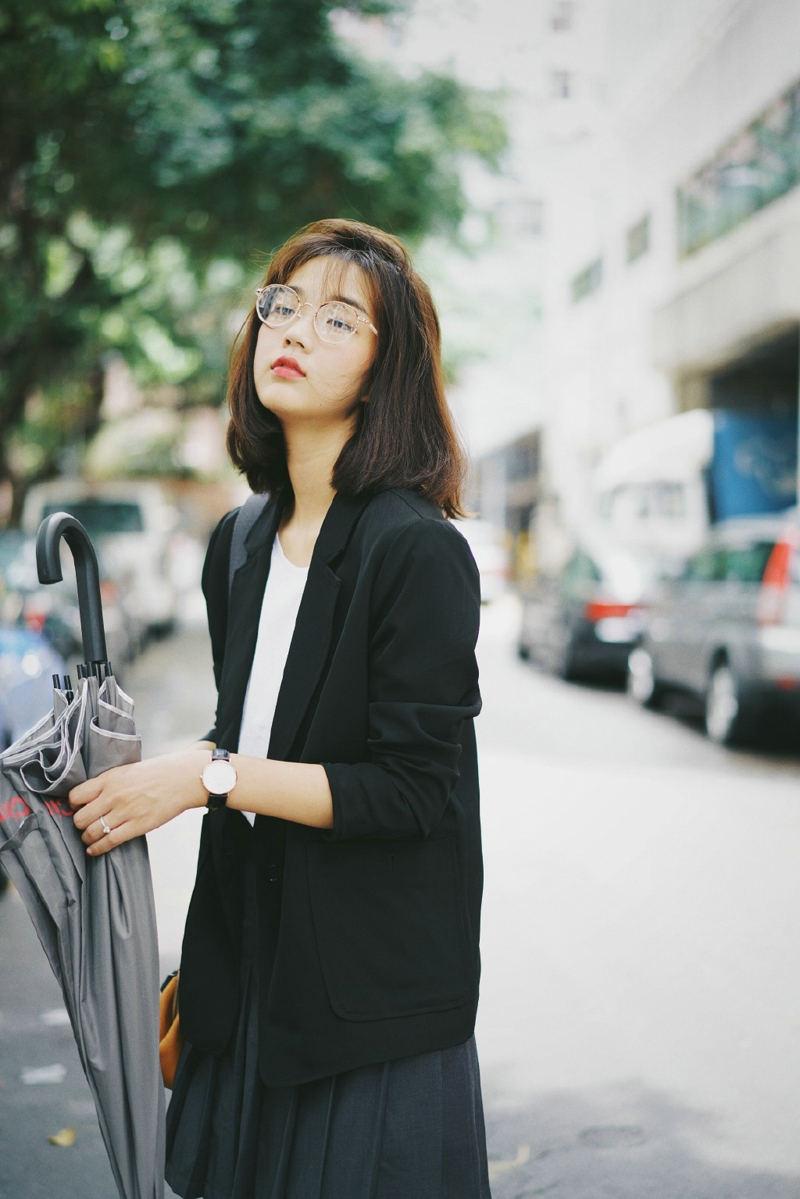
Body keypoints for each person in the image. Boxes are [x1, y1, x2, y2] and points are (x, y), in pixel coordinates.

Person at [68, 218, 490, 1199]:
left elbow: (410, 791)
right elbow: (260, 736)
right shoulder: (242, 538)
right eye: (282, 305)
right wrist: (167, 769)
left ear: (389, 368)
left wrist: (205, 776)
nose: (294, 330)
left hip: (367, 1002)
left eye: (339, 318)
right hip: (249, 970)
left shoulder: (416, 549)